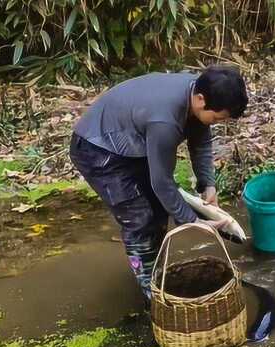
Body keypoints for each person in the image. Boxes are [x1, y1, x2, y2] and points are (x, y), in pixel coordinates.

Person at [68, 66, 249, 299]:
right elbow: (161, 182)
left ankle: (154, 264)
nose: (214, 123)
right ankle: (149, 287)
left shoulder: (201, 89)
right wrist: (192, 220)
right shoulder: (165, 121)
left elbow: (200, 141)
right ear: (201, 99)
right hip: (97, 149)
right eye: (216, 118)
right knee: (138, 218)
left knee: (159, 209)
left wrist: (208, 184)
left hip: (133, 140)